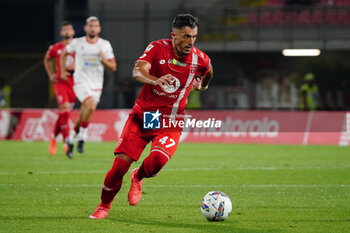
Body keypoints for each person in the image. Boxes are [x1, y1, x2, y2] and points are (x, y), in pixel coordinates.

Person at [89, 14, 213, 219]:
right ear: (173, 35)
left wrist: (203, 85)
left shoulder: (199, 58)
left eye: (194, 37)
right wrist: (155, 80)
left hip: (171, 120)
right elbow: (138, 71)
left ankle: (138, 176)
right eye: (185, 36)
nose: (190, 42)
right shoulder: (157, 48)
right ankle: (104, 206)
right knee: (120, 165)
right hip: (146, 115)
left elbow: (208, 71)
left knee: (157, 161)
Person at [60, 16, 117, 158]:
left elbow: (113, 67)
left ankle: (71, 139)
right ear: (85, 28)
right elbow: (64, 53)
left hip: (97, 84)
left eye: (96, 25)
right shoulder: (77, 42)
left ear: (99, 28)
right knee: (90, 105)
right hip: (80, 81)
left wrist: (103, 60)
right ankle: (82, 138)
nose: (93, 28)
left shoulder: (104, 45)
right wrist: (62, 71)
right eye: (90, 25)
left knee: (85, 112)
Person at [43, 21, 75, 155]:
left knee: (64, 113)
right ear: (61, 33)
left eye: (69, 29)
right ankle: (67, 142)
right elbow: (46, 59)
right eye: (64, 30)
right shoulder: (55, 48)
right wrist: (51, 74)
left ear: (73, 32)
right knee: (66, 112)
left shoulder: (78, 47)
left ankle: (53, 137)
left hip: (74, 84)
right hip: (60, 83)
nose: (67, 31)